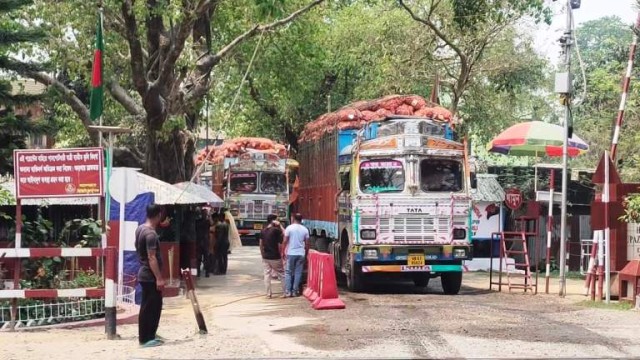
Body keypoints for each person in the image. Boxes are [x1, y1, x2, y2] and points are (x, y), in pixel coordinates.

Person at [135, 204, 165, 347]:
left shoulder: (141, 229)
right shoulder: (151, 234)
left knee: (149, 306)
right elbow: (152, 257)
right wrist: (159, 278)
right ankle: (145, 338)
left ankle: (149, 335)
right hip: (150, 276)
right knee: (151, 308)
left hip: (144, 273)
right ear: (159, 215)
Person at [283, 213, 309, 297]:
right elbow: (307, 244)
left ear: (293, 218)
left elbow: (285, 241)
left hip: (291, 253)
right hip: (301, 253)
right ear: (301, 219)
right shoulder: (305, 229)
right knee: (298, 272)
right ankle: (295, 291)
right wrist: (306, 253)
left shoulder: (289, 228)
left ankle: (288, 291)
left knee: (288, 272)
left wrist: (283, 251)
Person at [260, 214, 285, 298]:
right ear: (274, 220)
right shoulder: (276, 231)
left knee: (267, 275)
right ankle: (285, 292)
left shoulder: (263, 230)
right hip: (275, 256)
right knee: (282, 274)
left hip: (266, 257)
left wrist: (263, 254)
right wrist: (280, 225)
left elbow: (260, 244)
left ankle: (268, 294)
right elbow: (283, 237)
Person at [195, 208, 211, 278]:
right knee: (206, 258)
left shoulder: (198, 222)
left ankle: (198, 272)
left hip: (200, 241)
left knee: (199, 258)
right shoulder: (207, 222)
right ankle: (206, 273)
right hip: (205, 241)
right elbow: (211, 223)